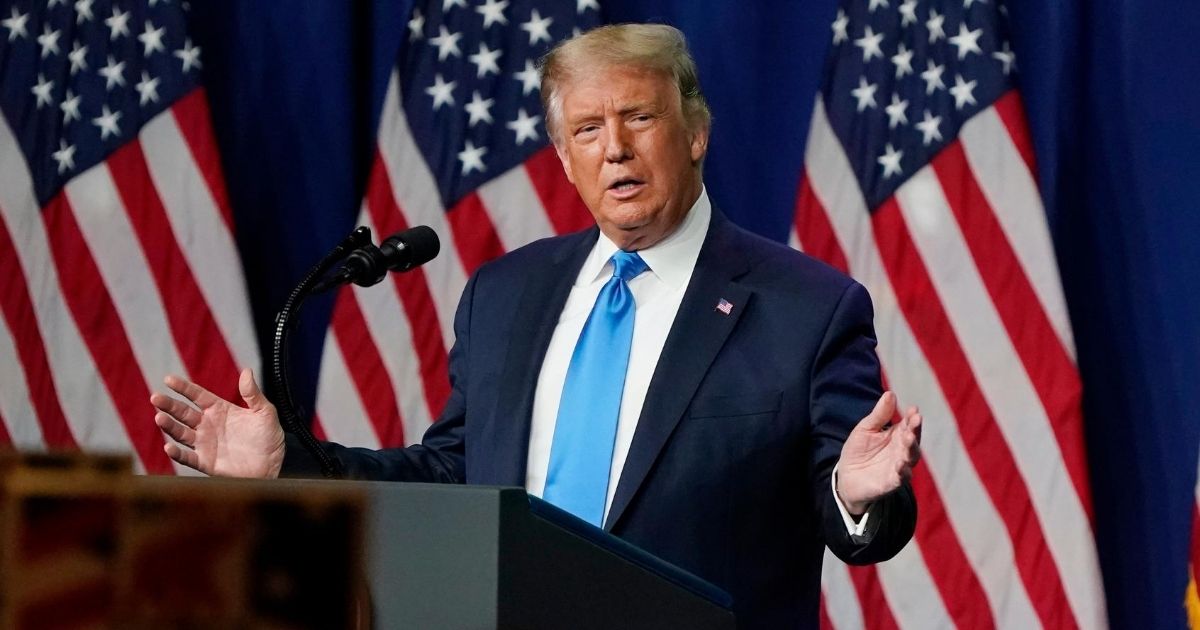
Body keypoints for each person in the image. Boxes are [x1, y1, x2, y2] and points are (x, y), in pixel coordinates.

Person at [151, 24, 921, 628]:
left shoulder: (808, 307)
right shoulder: (506, 294)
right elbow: (454, 474)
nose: (614, 147)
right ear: (563, 157)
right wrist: (293, 467)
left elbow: (857, 516)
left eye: (639, 117)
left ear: (695, 133)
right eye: (586, 130)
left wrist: (855, 493)